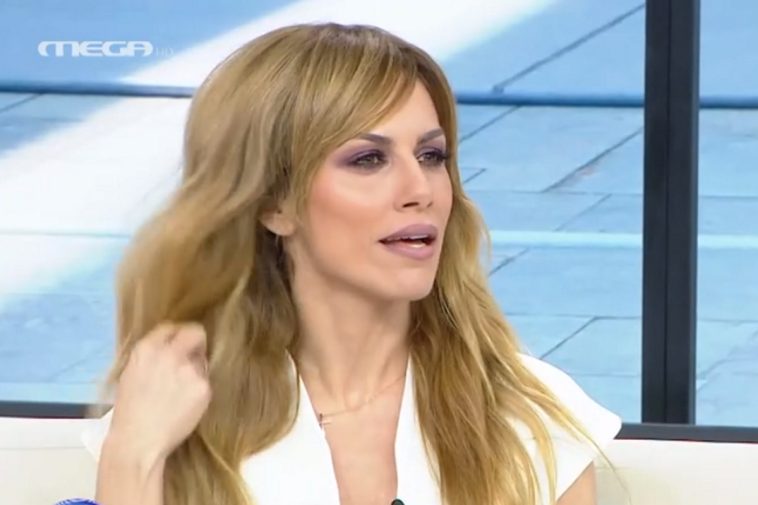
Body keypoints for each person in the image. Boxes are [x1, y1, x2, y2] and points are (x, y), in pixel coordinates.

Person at [79, 22, 621, 505]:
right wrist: (133, 458)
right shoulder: (169, 415)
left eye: (432, 156)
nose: (420, 189)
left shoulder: (530, 416)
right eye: (368, 159)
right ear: (274, 203)